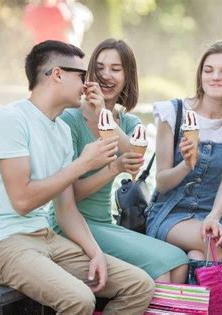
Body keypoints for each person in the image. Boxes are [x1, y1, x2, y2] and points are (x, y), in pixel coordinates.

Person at [0, 40, 154, 314]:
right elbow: (22, 200)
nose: (88, 83)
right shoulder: (10, 119)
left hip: (46, 238)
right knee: (79, 299)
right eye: (82, 75)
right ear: (57, 74)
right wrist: (83, 164)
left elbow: (66, 209)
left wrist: (95, 253)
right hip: (3, 242)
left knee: (138, 285)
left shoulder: (60, 132)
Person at [51, 38, 189, 283]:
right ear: (89, 74)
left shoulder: (129, 123)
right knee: (162, 274)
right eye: (100, 68)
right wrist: (113, 167)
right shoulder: (69, 120)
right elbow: (69, 197)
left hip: (104, 223)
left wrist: (104, 116)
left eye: (115, 69)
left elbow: (135, 157)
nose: (106, 75)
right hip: (71, 224)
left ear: (128, 76)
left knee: (179, 261)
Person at [146, 40, 222, 260]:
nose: (215, 77)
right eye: (208, 70)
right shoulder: (172, 113)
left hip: (213, 216)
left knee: (198, 258)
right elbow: (161, 182)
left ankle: (196, 292)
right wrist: (186, 165)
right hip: (169, 214)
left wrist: (215, 217)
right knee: (214, 244)